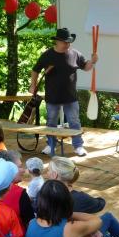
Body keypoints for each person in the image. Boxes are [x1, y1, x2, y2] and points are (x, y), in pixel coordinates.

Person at [29, 27, 98, 157]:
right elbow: (35, 70)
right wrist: (33, 85)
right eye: (65, 42)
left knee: (74, 122)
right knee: (51, 122)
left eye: (69, 42)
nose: (68, 44)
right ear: (57, 42)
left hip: (70, 96)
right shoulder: (47, 55)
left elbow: (86, 67)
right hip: (52, 96)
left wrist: (92, 62)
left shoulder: (75, 54)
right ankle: (51, 144)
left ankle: (78, 146)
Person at [47, 156, 119, 237]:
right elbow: (100, 204)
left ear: (54, 175)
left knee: (98, 230)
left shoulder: (45, 195)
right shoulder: (79, 197)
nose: (46, 173)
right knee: (108, 217)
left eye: (48, 170)